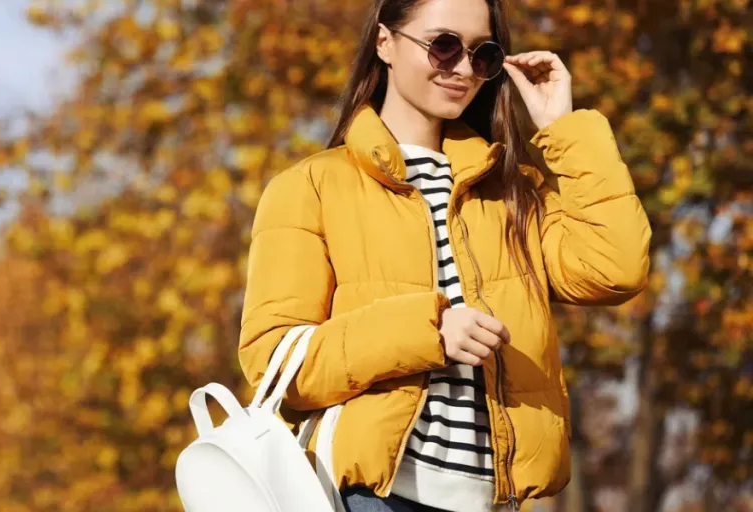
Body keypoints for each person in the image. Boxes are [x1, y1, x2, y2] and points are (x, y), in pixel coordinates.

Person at [237, 0, 651, 510]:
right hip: (374, 498)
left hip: (495, 501)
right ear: (385, 42)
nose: (462, 68)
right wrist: (428, 331)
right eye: (443, 45)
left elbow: (616, 270)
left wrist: (562, 128)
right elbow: (275, 362)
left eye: (482, 54)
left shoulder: (513, 191)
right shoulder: (312, 186)